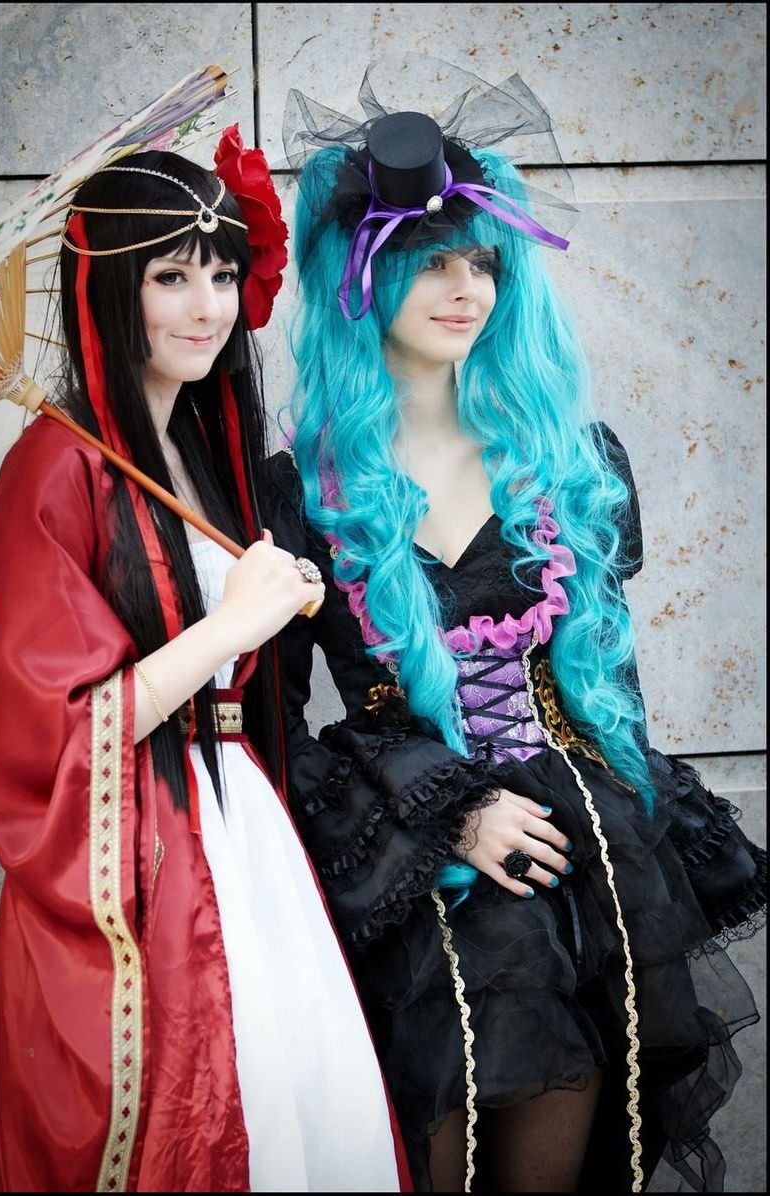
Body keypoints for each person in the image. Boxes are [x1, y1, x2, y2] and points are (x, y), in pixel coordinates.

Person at [265, 70, 766, 1194]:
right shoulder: (301, 493)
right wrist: (449, 812)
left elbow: (610, 691)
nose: (466, 290)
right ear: (362, 275)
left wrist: (614, 828)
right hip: (414, 870)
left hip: (584, 866)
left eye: (484, 263)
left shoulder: (571, 463)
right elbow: (276, 733)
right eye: (431, 262)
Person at [0, 130, 408, 1193]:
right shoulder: (53, 468)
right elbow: (57, 729)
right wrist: (230, 627)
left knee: (303, 1114)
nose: (206, 306)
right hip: (142, 854)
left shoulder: (203, 452)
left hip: (241, 822)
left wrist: (273, 603)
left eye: (221, 273)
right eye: (170, 277)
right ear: (110, 289)